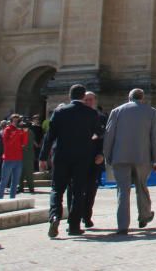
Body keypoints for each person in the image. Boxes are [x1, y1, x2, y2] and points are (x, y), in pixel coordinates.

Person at [41, 84, 102, 238]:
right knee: (78, 191)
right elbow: (99, 134)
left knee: (57, 189)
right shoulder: (91, 113)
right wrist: (92, 141)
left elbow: (50, 136)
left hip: (61, 156)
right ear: (83, 97)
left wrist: (42, 157)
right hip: (83, 157)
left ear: (70, 96)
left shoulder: (60, 111)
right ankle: (74, 225)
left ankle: (54, 216)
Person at [103, 88, 156, 236]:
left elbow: (109, 135)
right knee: (142, 187)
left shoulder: (116, 111)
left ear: (129, 97)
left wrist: (107, 156)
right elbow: (155, 137)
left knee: (122, 191)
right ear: (142, 98)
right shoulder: (151, 112)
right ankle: (144, 215)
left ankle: (122, 226)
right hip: (143, 158)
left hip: (120, 157)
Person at [74, 91, 105, 229]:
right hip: (78, 158)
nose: (88, 102)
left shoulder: (101, 117)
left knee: (91, 189)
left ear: (95, 101)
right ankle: (76, 215)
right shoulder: (75, 116)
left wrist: (102, 154)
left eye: (91, 100)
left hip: (94, 158)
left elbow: (105, 137)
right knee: (77, 189)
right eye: (86, 99)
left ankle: (87, 216)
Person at [0, 116, 28, 199]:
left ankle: (12, 198)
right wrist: (17, 132)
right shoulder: (7, 130)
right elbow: (7, 143)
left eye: (17, 121)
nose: (16, 122)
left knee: (15, 182)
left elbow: (24, 143)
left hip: (18, 158)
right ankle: (0, 198)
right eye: (14, 121)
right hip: (8, 158)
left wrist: (25, 132)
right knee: (4, 180)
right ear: (11, 122)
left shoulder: (19, 130)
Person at [17, 118, 37, 195]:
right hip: (23, 155)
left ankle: (29, 187)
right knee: (22, 173)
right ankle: (22, 187)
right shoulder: (26, 132)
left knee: (27, 173)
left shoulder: (29, 132)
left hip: (27, 155)